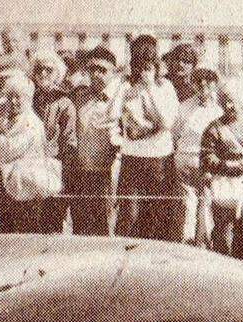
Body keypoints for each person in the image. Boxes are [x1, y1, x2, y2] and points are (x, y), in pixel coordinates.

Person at [113, 34, 180, 241]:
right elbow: (112, 116)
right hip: (133, 158)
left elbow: (167, 123)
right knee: (129, 217)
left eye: (149, 59)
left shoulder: (165, 86)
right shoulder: (125, 86)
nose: (144, 65)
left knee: (157, 217)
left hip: (159, 159)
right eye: (140, 59)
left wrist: (149, 89)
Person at [200, 81, 243, 256]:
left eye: (232, 100)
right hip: (224, 191)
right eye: (224, 100)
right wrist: (235, 167)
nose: (228, 105)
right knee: (223, 237)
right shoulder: (214, 129)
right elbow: (207, 159)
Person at [71, 46, 121, 237]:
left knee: (105, 229)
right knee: (80, 229)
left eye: (103, 70)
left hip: (106, 176)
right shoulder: (78, 97)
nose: (97, 74)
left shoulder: (118, 98)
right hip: (80, 174)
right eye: (92, 69)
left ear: (113, 72)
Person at [0, 74, 50, 234]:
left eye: (18, 97)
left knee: (25, 229)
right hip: (8, 182)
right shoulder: (6, 118)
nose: (13, 102)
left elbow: (9, 149)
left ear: (28, 99)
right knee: (6, 226)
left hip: (27, 184)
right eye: (10, 97)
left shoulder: (32, 122)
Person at [30, 49, 77, 234]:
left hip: (53, 168)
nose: (43, 74)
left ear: (56, 74)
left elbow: (69, 142)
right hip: (30, 166)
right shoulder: (29, 98)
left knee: (51, 225)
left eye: (48, 70)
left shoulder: (64, 103)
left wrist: (63, 176)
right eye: (39, 69)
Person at [173, 67, 222, 245]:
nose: (203, 86)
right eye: (199, 82)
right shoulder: (184, 108)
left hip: (208, 165)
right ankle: (187, 243)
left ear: (215, 84)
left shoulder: (218, 111)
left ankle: (203, 245)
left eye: (208, 82)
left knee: (206, 204)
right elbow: (175, 134)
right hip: (186, 161)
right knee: (187, 205)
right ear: (193, 84)